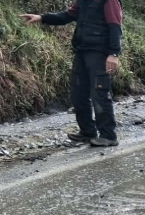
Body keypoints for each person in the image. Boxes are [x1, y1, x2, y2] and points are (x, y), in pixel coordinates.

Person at [20, 1, 123, 147]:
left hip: (100, 54)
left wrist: (114, 53)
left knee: (100, 94)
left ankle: (108, 136)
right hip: (81, 51)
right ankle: (87, 132)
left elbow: (115, 26)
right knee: (78, 94)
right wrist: (42, 18)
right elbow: (67, 16)